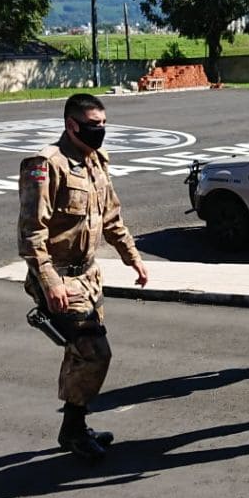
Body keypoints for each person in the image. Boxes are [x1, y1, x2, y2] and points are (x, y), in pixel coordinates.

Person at [18, 93, 149, 460]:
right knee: (95, 352)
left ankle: (74, 428)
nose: (100, 132)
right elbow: (31, 232)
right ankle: (73, 430)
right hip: (58, 275)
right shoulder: (45, 165)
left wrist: (132, 258)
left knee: (80, 354)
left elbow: (111, 218)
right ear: (71, 125)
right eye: (93, 125)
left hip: (89, 275)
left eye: (104, 124)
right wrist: (49, 282)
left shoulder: (97, 161)